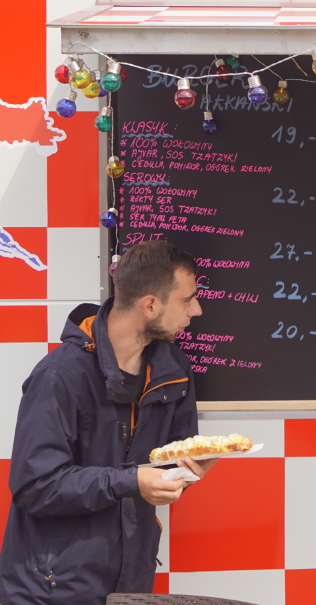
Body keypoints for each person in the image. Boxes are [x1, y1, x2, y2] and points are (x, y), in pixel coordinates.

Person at [0, 241, 215, 605]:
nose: (197, 309)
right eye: (187, 299)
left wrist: (187, 471)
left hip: (130, 585)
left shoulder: (175, 371)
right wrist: (129, 481)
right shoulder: (60, 375)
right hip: (50, 590)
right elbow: (34, 485)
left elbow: (161, 468)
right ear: (150, 305)